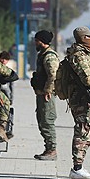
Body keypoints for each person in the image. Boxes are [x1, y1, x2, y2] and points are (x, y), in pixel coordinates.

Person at [66, 26, 90, 179]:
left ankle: (78, 166)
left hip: (82, 98)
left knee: (87, 132)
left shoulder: (79, 54)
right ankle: (77, 168)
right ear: (84, 39)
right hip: (81, 99)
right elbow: (88, 79)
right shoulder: (80, 56)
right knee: (82, 131)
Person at [30, 30, 60, 160]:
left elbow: (53, 75)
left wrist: (48, 90)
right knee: (42, 121)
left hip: (46, 94)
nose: (35, 43)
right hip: (41, 93)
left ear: (42, 41)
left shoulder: (49, 56)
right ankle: (48, 148)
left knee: (47, 121)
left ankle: (52, 150)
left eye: (37, 41)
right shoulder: (42, 55)